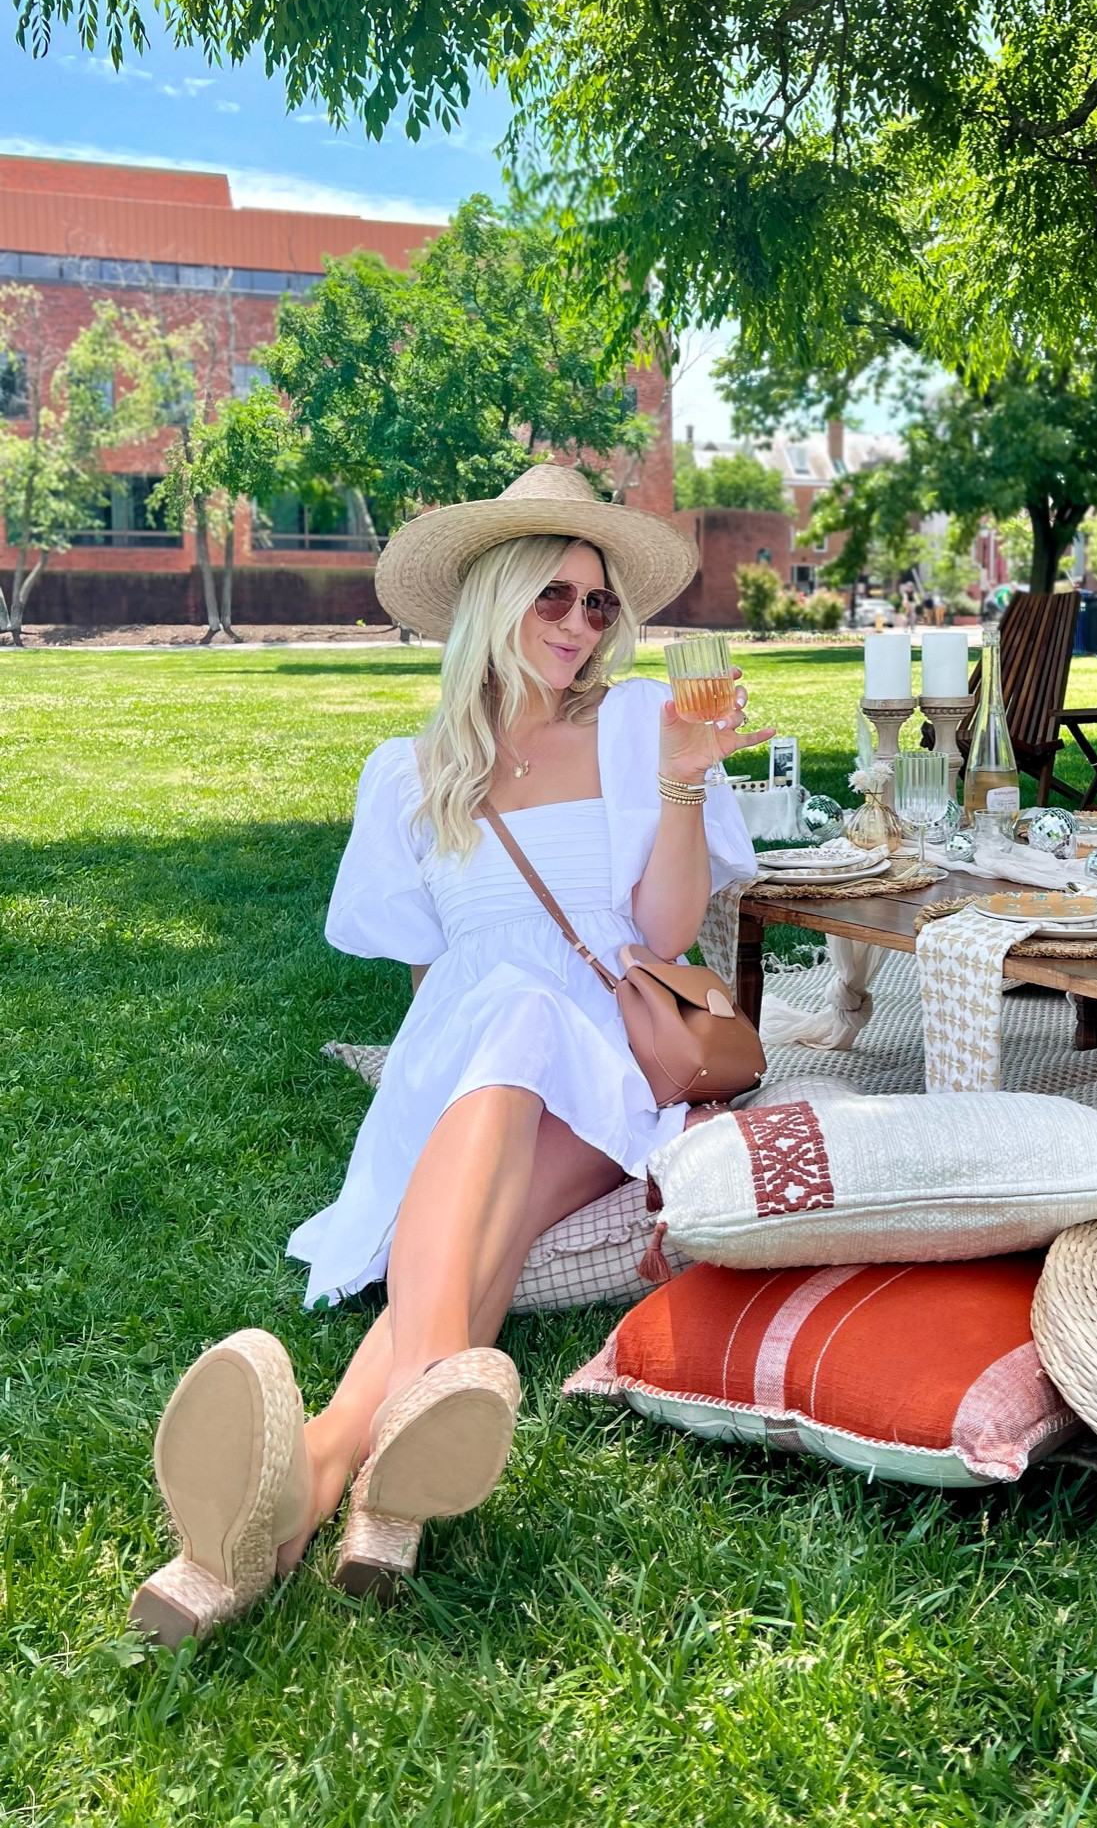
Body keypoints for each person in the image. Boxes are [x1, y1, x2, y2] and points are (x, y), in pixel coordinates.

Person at [128, 463, 770, 1648]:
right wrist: (433, 1083)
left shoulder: (636, 727)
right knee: (487, 1212)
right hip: (473, 1057)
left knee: (522, 1022)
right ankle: (342, 1497)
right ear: (496, 599)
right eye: (556, 598)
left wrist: (686, 776)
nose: (581, 624)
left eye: (597, 604)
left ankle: (273, 1514)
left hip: (602, 1053)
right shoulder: (408, 770)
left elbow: (667, 930)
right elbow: (433, 980)